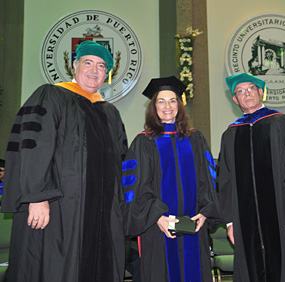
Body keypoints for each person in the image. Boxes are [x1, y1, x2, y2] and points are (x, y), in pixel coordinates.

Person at [1, 40, 128, 282]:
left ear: (107, 74)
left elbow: (119, 161)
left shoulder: (110, 113)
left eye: (101, 66)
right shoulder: (51, 95)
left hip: (102, 212)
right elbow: (34, 148)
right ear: (74, 66)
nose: (94, 70)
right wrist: (38, 196)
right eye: (87, 62)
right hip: (60, 208)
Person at [216, 73, 285, 281]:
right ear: (235, 100)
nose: (246, 94)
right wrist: (230, 222)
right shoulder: (230, 134)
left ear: (261, 92)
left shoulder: (282, 123)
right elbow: (226, 181)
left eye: (250, 89)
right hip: (245, 221)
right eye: (240, 91)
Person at [122, 76, 219, 282]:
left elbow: (208, 181)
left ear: (180, 105)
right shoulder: (143, 142)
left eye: (173, 100)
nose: (167, 106)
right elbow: (137, 188)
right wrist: (158, 217)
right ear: (153, 107)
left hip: (194, 226)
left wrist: (205, 213)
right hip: (158, 228)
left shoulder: (196, 139)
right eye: (161, 101)